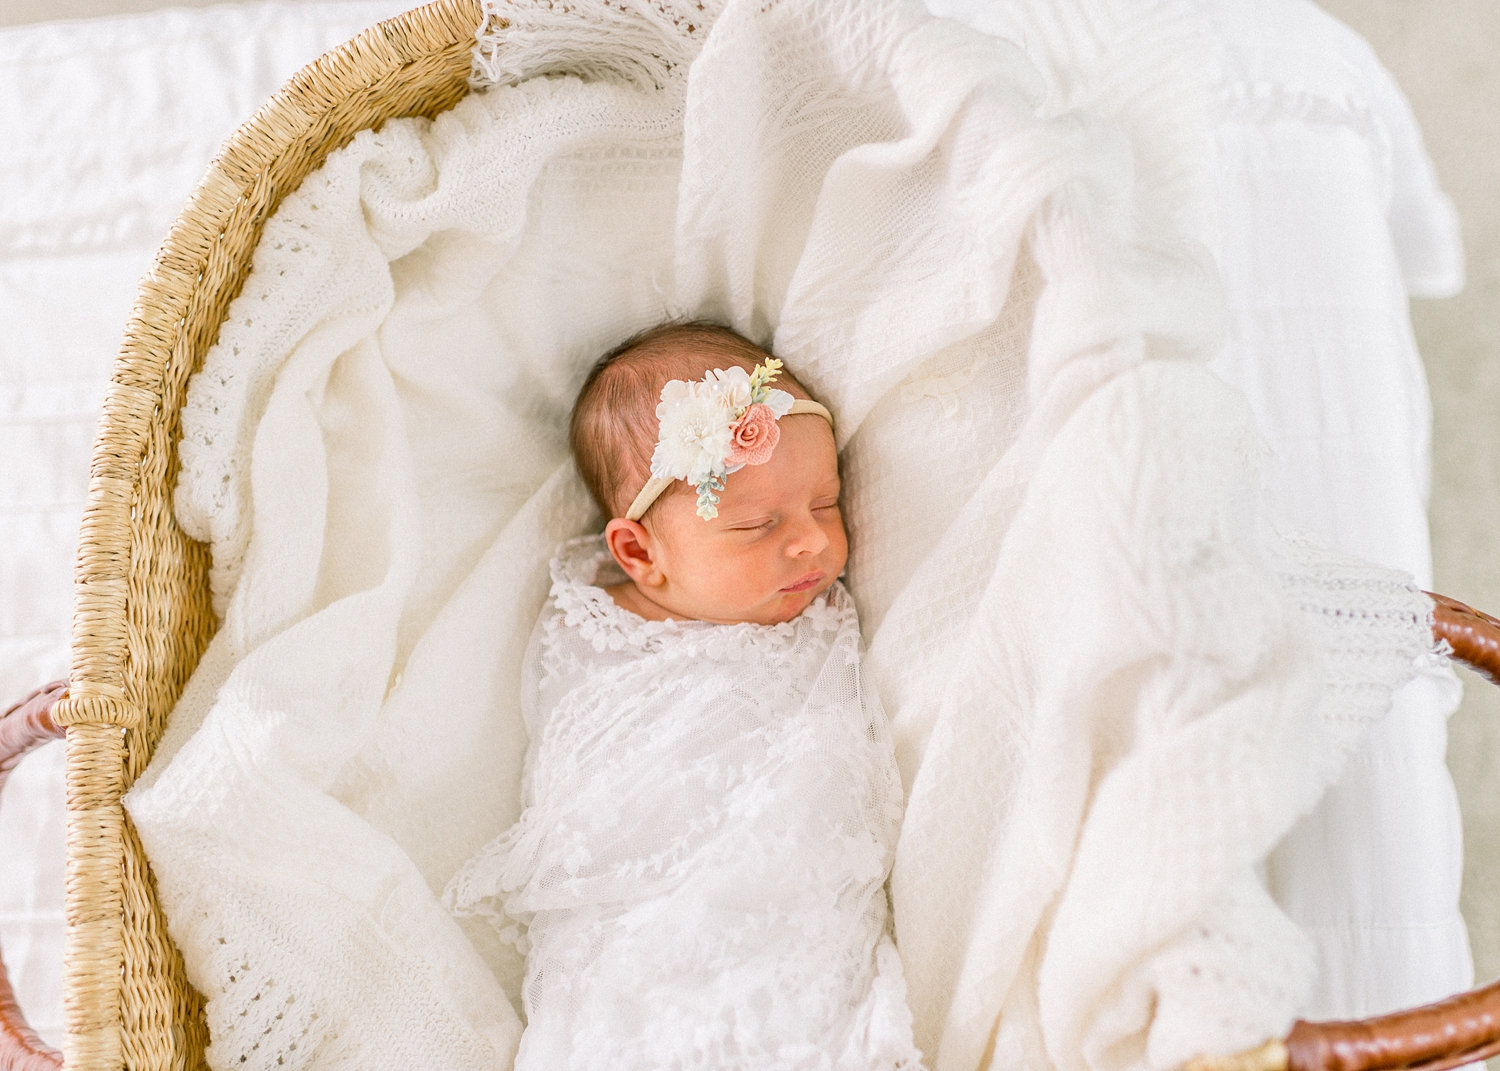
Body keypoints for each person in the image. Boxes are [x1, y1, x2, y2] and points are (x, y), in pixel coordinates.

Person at [445, 322, 925, 1070]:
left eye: (825, 503)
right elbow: (578, 765)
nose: (809, 542)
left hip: (787, 913)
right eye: (757, 523)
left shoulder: (818, 611)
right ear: (639, 552)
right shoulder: (591, 630)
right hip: (637, 943)